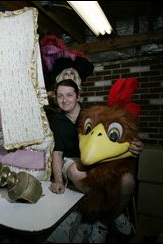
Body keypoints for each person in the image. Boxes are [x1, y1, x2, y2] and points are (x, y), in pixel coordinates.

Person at [49, 79, 144, 242]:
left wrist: (135, 143)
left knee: (128, 182)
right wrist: (58, 180)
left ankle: (105, 221)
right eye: (60, 96)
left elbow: (118, 132)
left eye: (69, 95)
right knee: (77, 174)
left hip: (98, 161)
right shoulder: (57, 120)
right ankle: (111, 214)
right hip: (72, 160)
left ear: (78, 96)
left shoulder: (94, 113)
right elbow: (57, 152)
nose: (64, 100)